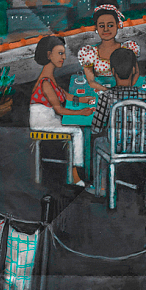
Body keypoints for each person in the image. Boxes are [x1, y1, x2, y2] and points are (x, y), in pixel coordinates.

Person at [90, 48, 146, 193]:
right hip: (142, 148)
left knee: (97, 142)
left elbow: (96, 129)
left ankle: (100, 187)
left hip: (115, 148)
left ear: (112, 71)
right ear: (134, 70)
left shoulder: (106, 97)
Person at [29, 36, 93, 187]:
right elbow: (59, 109)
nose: (63, 57)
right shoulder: (45, 81)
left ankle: (77, 171)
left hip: (49, 118)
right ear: (48, 55)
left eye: (64, 53)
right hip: (42, 122)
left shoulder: (49, 76)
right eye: (60, 53)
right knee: (77, 131)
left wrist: (83, 99)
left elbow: (65, 95)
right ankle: (76, 175)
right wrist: (81, 112)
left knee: (77, 128)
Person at [77, 1, 140, 93]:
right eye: (101, 26)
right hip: (102, 92)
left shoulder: (128, 48)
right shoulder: (89, 53)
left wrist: (125, 89)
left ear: (117, 25)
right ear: (96, 28)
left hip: (125, 91)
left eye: (110, 25)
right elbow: (91, 81)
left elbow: (136, 73)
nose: (106, 29)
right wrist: (109, 92)